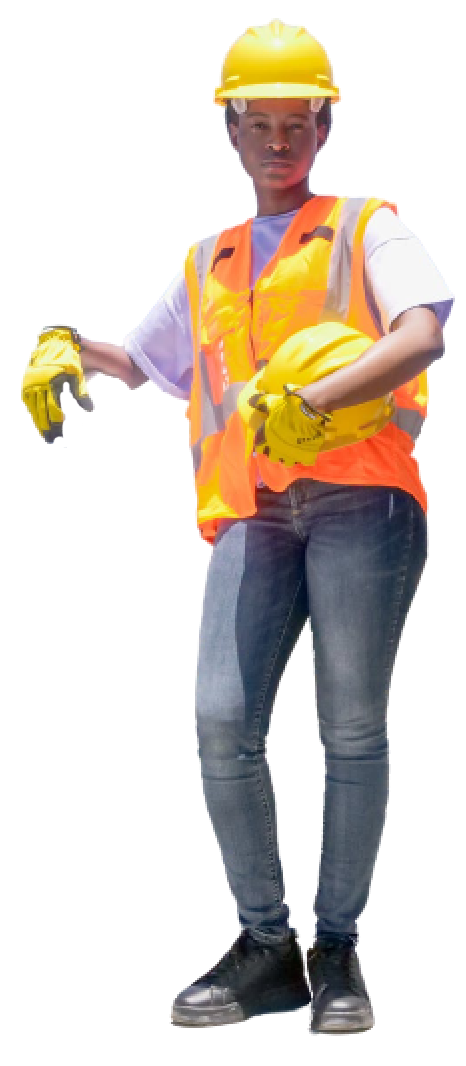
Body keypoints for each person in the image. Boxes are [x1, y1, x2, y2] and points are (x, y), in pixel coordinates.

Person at [77, 20, 454, 1033]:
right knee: (222, 723)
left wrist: (321, 398)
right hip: (252, 509)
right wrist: (69, 348)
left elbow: (423, 330)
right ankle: (263, 947)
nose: (279, 141)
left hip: (362, 499)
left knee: (349, 726)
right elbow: (145, 364)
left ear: (324, 128)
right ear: (231, 130)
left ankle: (336, 952)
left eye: (298, 122)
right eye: (260, 123)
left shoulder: (366, 228)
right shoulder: (210, 259)